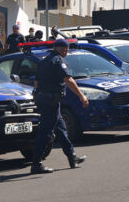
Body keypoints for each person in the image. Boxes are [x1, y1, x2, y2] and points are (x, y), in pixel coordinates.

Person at [31, 39, 89, 174]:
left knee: (61, 129)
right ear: (62, 49)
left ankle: (72, 157)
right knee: (46, 132)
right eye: (66, 49)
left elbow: (36, 82)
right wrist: (81, 96)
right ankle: (36, 164)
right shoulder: (58, 60)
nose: (66, 52)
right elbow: (68, 79)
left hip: (45, 99)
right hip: (50, 101)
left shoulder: (45, 60)